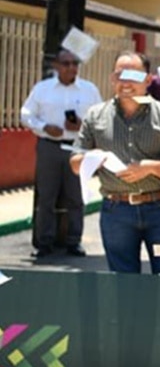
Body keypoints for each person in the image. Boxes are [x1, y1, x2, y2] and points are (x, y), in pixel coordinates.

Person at [71, 52, 160, 274]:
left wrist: (149, 167)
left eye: (133, 75)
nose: (126, 82)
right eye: (120, 75)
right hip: (116, 213)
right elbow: (75, 164)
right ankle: (131, 311)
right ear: (113, 78)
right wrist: (90, 158)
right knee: (123, 281)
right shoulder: (95, 116)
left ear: (148, 79)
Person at [20, 49, 103, 258]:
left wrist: (82, 126)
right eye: (66, 63)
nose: (72, 68)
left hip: (77, 147)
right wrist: (44, 127)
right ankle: (44, 243)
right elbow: (26, 114)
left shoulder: (89, 90)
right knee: (46, 196)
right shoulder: (43, 89)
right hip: (50, 146)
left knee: (76, 197)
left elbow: (101, 118)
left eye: (75, 63)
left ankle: (74, 241)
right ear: (56, 65)